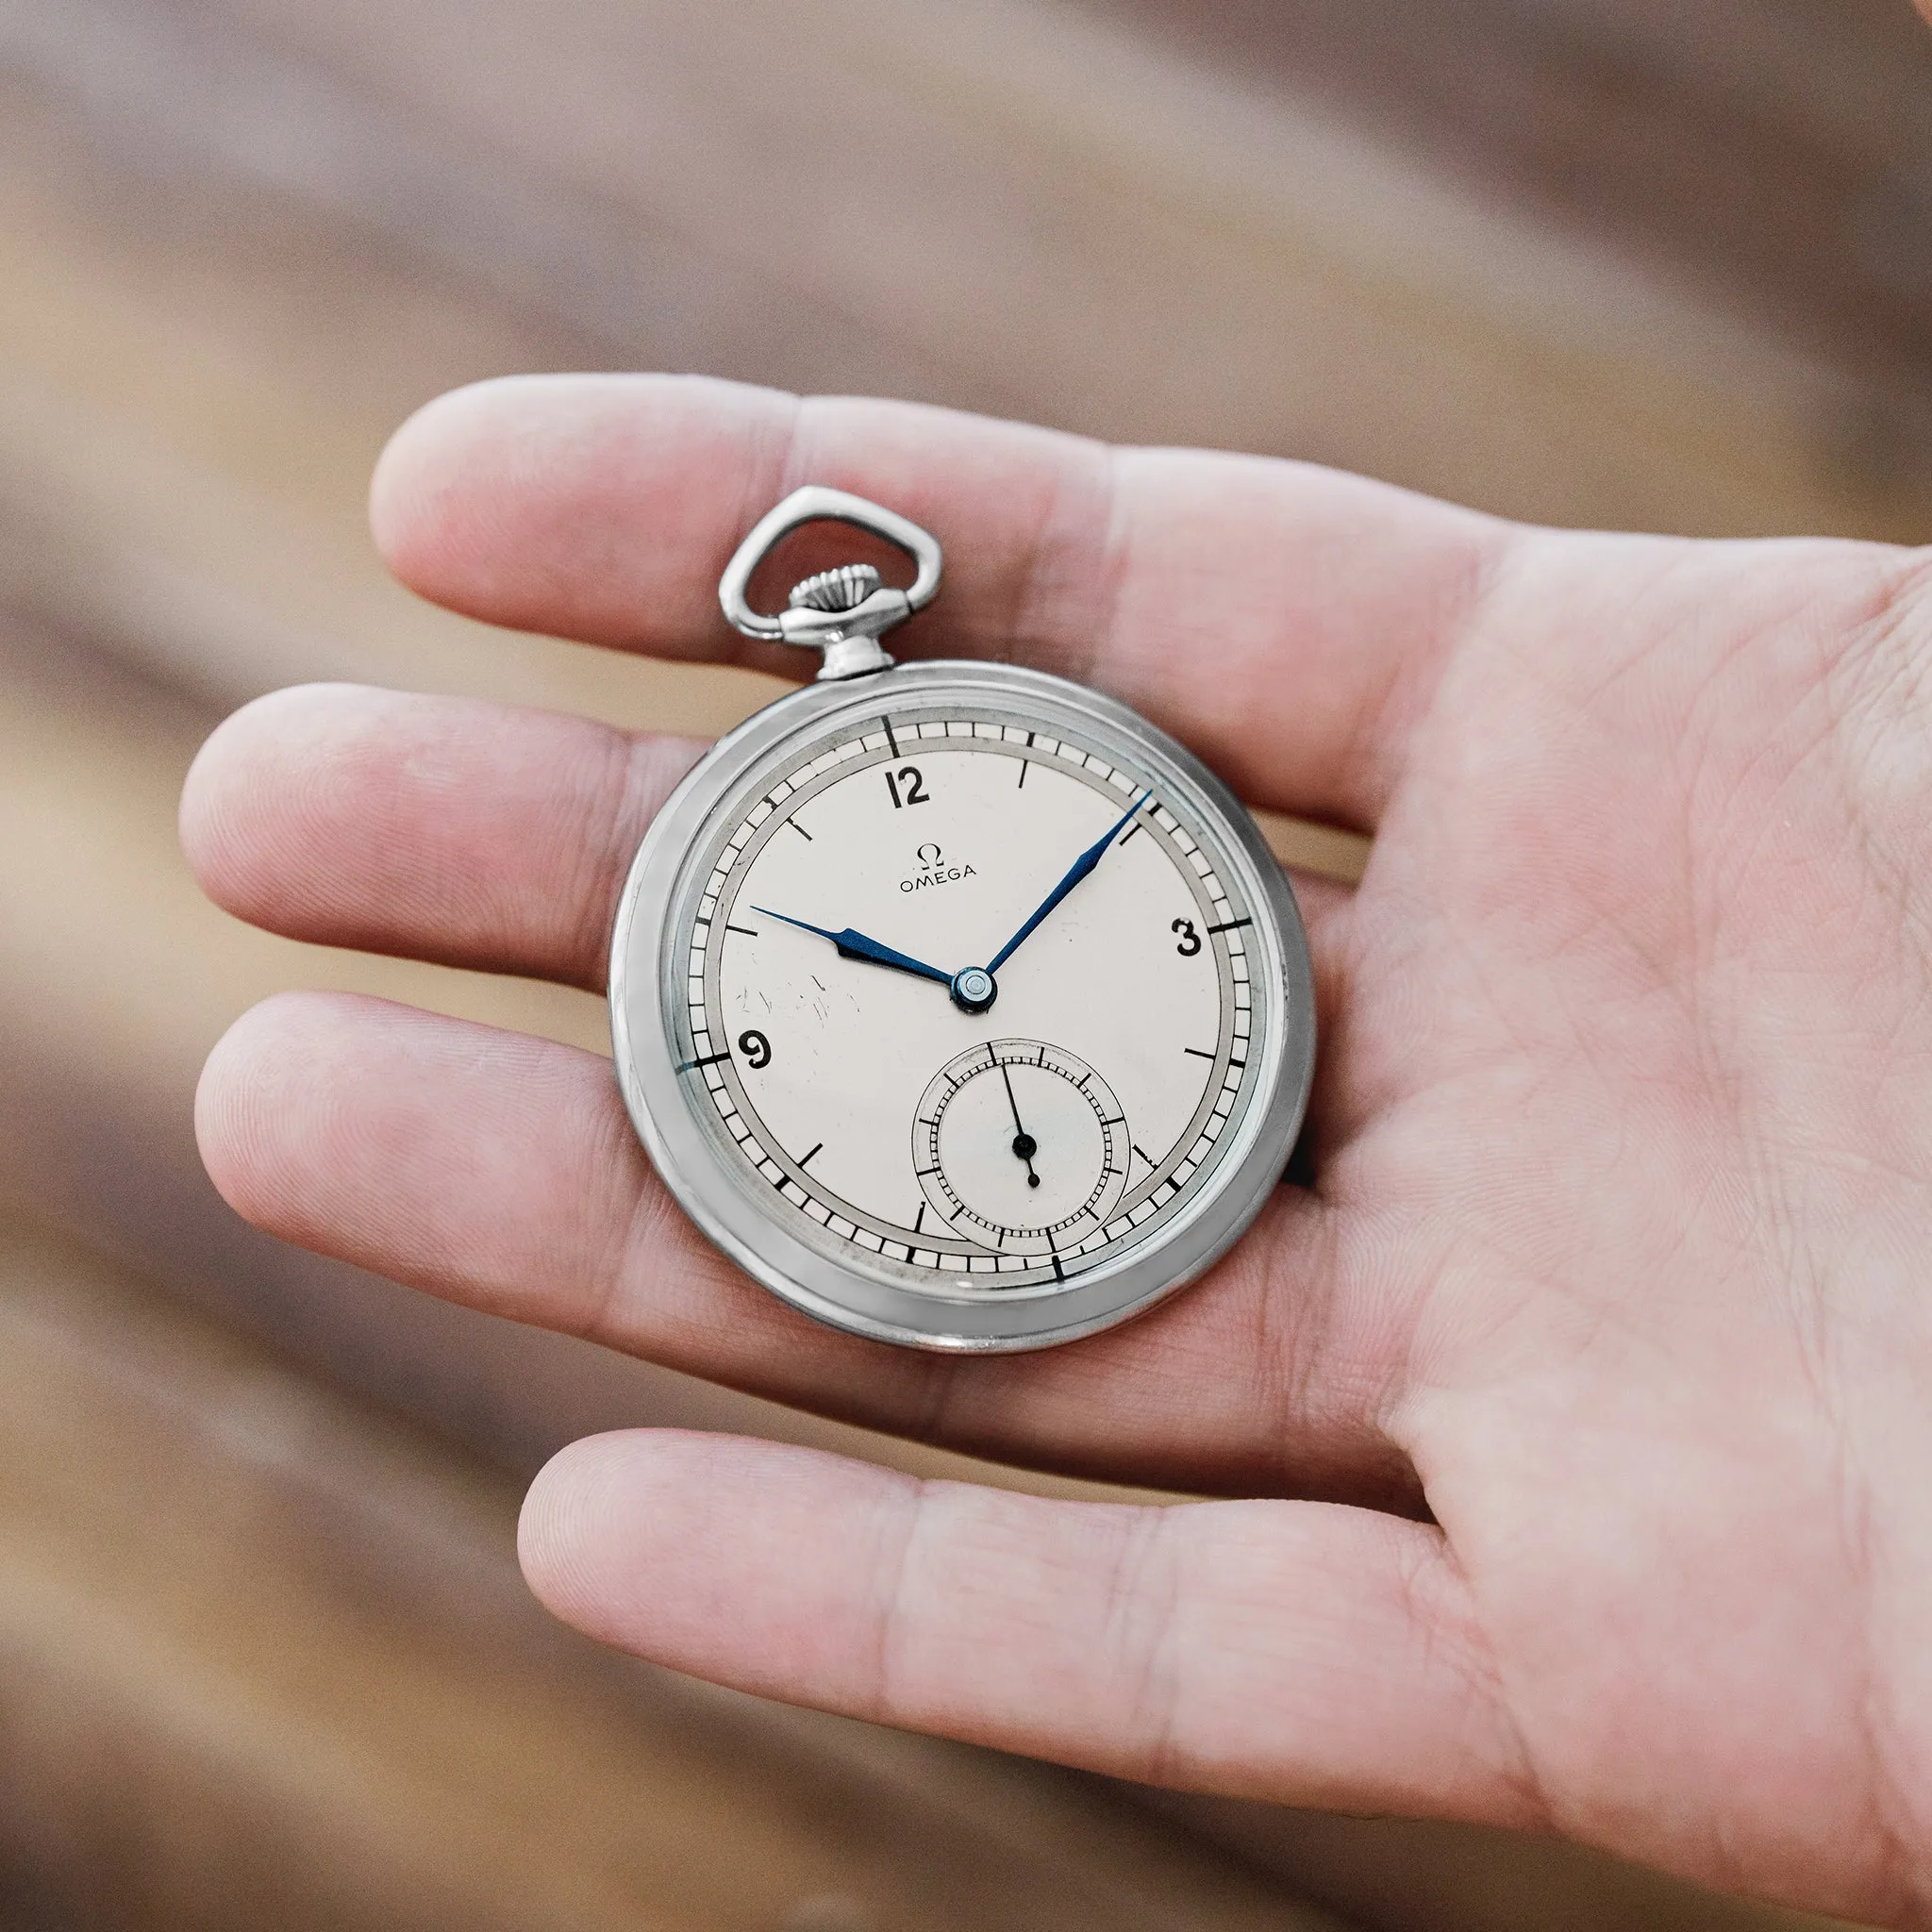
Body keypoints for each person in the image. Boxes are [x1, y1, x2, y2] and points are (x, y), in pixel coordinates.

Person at [179, 372, 1932, 1928]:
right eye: (929, 970)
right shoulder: (786, 885)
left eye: (983, 962)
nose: (965, 978)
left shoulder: (1071, 831)